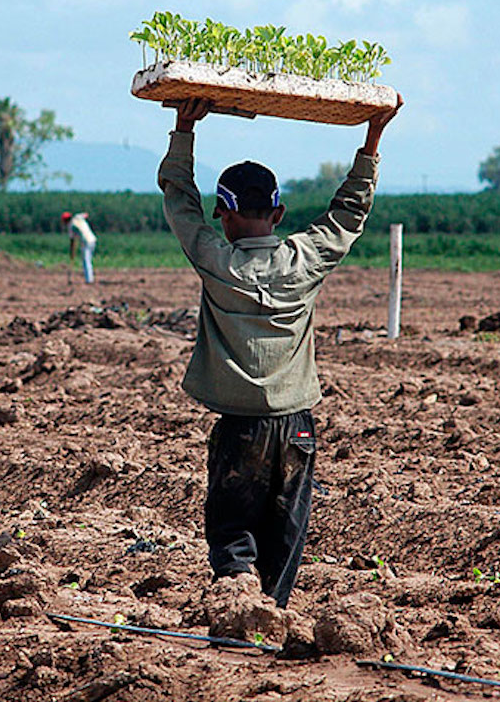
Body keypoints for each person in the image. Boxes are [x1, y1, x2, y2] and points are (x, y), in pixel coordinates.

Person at [158, 95, 402, 610]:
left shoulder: (216, 260)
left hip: (239, 427)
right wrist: (372, 138)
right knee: (286, 531)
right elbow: (349, 211)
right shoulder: (304, 259)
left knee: (231, 531)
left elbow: (179, 202)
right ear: (279, 213)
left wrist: (184, 129)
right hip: (297, 427)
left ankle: (240, 607)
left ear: (222, 214)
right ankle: (273, 613)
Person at [61, 211, 97, 284]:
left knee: (86, 261)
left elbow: (72, 241)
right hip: (92, 239)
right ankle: (89, 278)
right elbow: (86, 214)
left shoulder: (70, 226)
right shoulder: (78, 217)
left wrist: (71, 253)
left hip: (86, 242)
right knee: (88, 260)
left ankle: (89, 280)